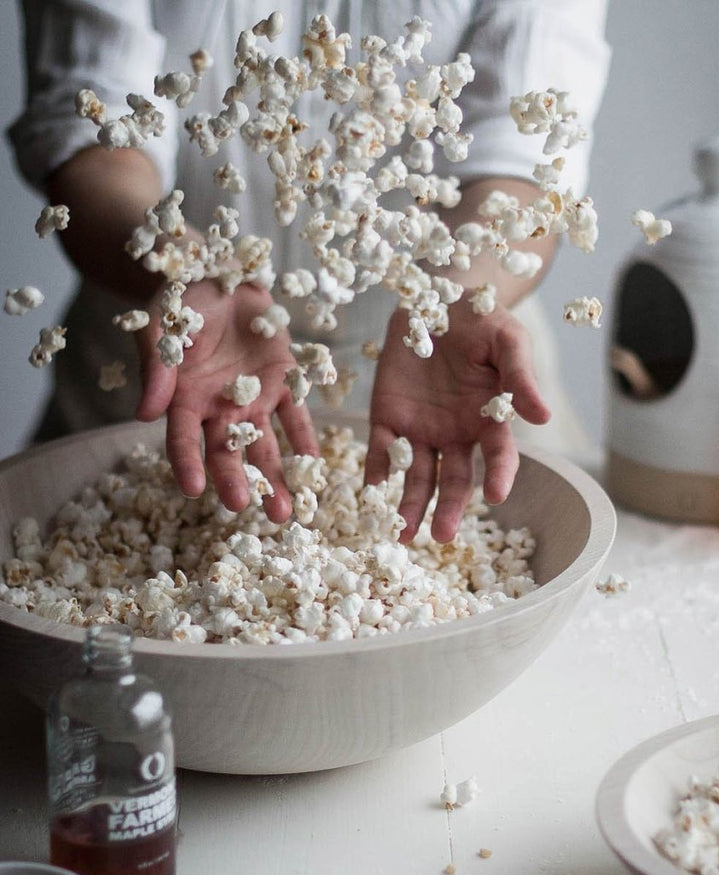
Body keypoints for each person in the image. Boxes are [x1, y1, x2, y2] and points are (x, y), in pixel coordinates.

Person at [9, 0, 610, 542]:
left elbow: (528, 150)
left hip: (448, 368)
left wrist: (458, 294)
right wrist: (185, 269)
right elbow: (91, 117)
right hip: (176, 351)